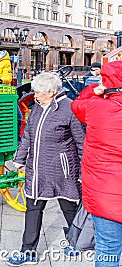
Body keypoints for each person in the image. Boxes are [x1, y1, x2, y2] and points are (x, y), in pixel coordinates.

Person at [7, 72, 84, 266]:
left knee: (69, 206)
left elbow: (81, 143)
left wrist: (83, 172)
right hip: (37, 169)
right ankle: (28, 252)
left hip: (62, 169)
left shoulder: (69, 109)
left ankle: (77, 242)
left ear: (50, 92)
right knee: (33, 208)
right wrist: (20, 158)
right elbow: (28, 136)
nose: (35, 95)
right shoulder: (38, 108)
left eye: (38, 92)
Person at [71, 61, 122, 267]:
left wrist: (94, 90)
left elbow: (76, 105)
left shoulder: (96, 107)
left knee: (107, 248)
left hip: (105, 195)